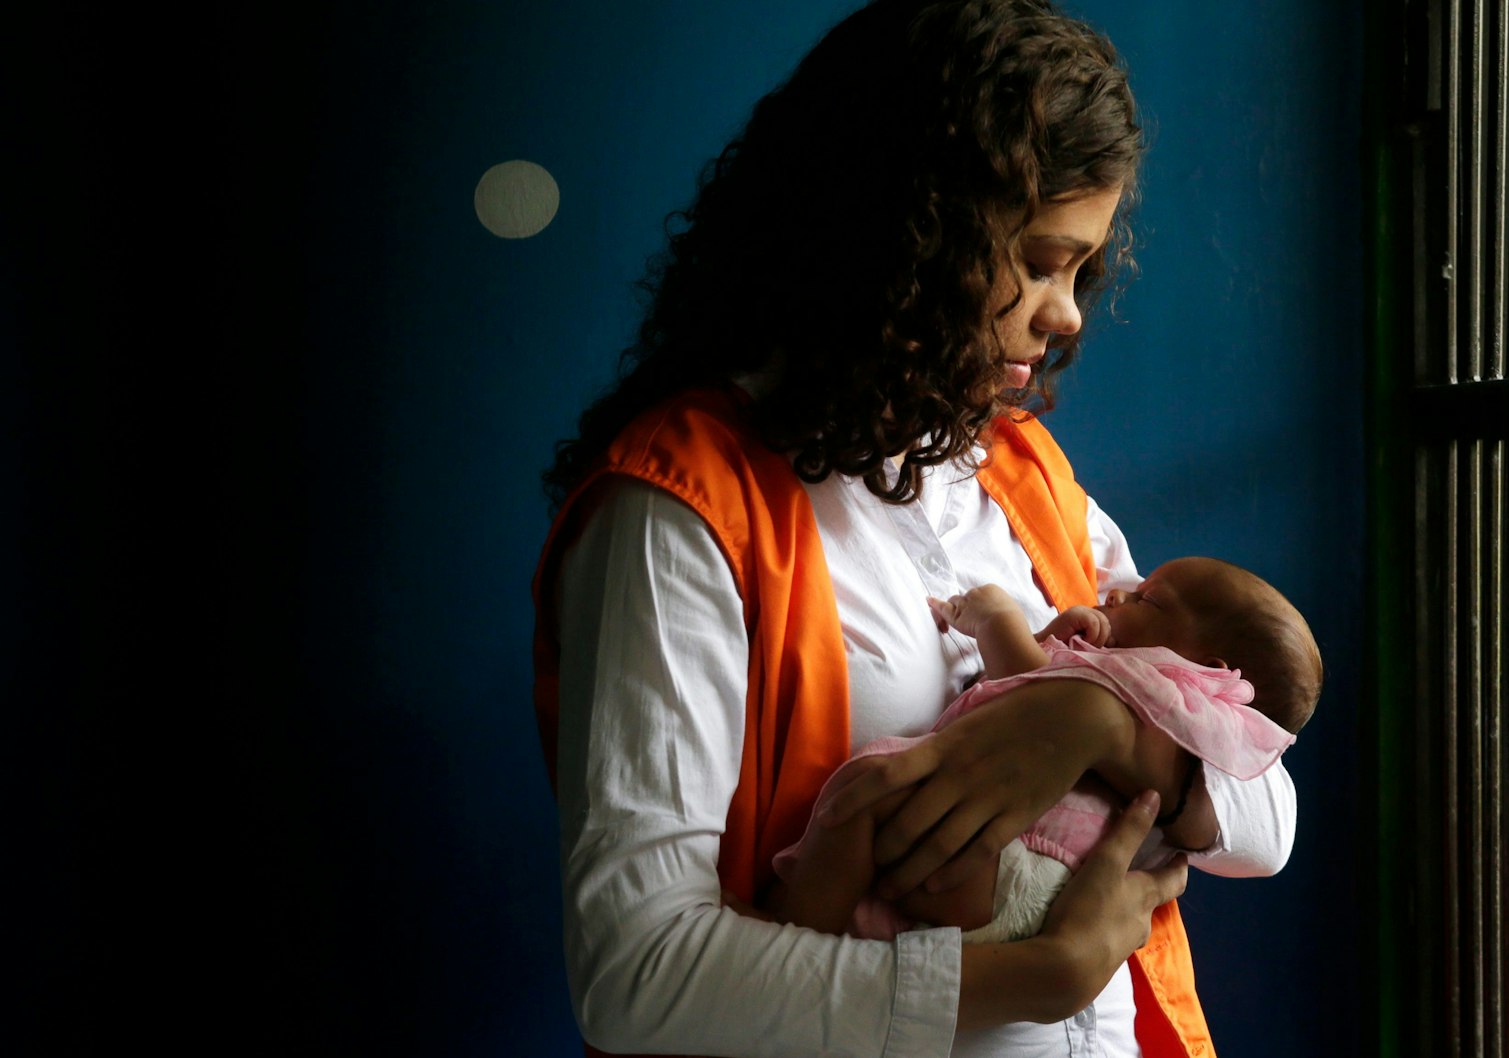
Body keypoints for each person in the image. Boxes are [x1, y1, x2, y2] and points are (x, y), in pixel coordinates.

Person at [529, 2, 1299, 1055]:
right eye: (1034, 259)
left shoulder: (1024, 478)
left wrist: (1104, 730)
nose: (1067, 311)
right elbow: (639, 974)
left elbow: (1269, 816)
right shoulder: (681, 506)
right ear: (899, 240)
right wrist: (1036, 976)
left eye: (1080, 267)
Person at [768, 557, 1321, 945]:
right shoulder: (1190, 724)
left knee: (871, 788)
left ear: (1212, 672)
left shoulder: (1158, 688)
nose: (1118, 594)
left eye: (1148, 598)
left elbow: (1030, 691)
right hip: (1046, 888)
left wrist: (998, 620)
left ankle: (795, 936)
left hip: (1020, 860)